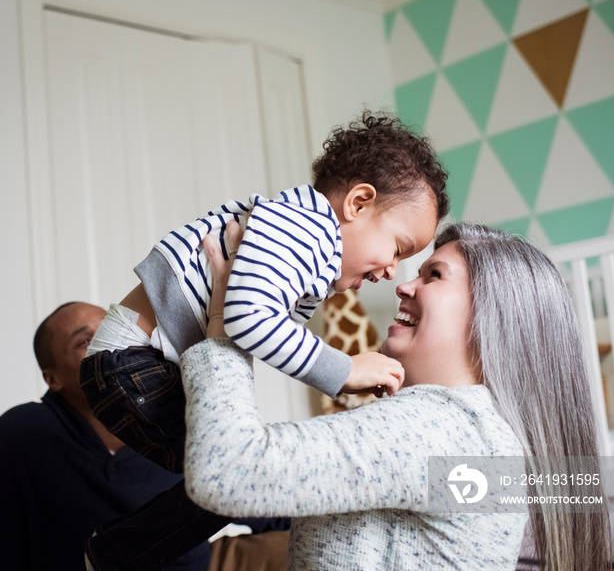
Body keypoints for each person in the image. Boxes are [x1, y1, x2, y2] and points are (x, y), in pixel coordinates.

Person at [80, 110, 449, 569]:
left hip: (135, 362)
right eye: (398, 248)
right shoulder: (306, 230)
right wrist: (345, 368)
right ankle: (116, 550)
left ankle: (115, 549)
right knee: (235, 476)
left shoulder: (301, 238)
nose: (395, 274)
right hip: (135, 360)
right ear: (357, 203)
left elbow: (252, 322)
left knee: (227, 478)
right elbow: (247, 318)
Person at [179, 221, 611, 570]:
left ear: (492, 320)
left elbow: (226, 469)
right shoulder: (486, 437)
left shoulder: (440, 425)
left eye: (434, 275)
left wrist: (223, 332)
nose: (403, 285)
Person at [0, 302, 212, 571]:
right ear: (52, 378)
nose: (110, 347)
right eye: (85, 341)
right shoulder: (17, 436)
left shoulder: (178, 417)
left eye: (110, 331)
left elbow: (237, 491)